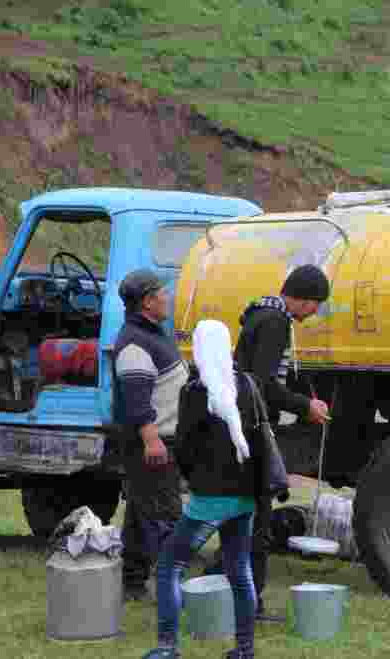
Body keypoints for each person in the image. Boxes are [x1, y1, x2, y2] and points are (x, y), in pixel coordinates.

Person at [205, 264, 332, 621]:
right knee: (258, 521)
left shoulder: (262, 315)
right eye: (316, 304)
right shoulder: (276, 323)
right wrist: (304, 406)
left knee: (243, 516)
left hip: (241, 427)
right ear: (304, 298)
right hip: (253, 429)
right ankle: (248, 602)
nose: (315, 312)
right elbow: (262, 384)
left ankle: (216, 584)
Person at [142, 320, 268, 659]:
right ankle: (244, 650)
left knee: (170, 566)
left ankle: (167, 647)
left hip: (210, 498)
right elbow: (259, 438)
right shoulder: (248, 384)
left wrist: (192, 479)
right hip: (244, 496)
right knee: (240, 571)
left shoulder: (195, 391)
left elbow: (184, 447)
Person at [113, 269, 188, 601]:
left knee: (141, 513)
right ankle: (171, 587)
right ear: (146, 302)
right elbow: (135, 397)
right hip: (153, 441)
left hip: (158, 439)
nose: (166, 298)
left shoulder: (153, 335)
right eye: (161, 293)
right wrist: (151, 438)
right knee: (164, 515)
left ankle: (131, 582)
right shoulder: (134, 343)